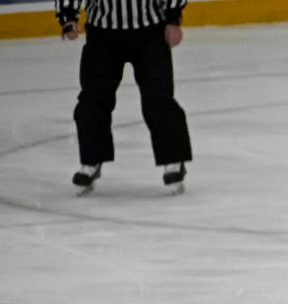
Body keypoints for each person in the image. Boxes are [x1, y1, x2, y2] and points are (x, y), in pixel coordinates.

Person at [56, 0, 193, 195]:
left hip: (150, 30)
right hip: (103, 33)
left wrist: (173, 19)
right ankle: (92, 159)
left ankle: (173, 160)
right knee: (93, 99)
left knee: (158, 97)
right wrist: (68, 16)